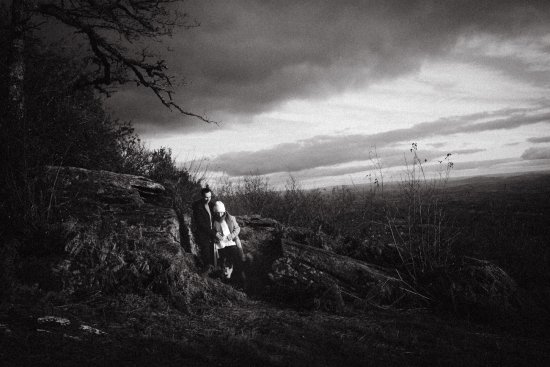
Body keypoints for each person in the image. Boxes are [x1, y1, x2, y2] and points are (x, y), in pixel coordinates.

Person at [212, 201, 246, 288]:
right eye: (217, 213)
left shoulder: (231, 218)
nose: (220, 215)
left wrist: (229, 237)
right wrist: (216, 236)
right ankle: (226, 283)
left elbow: (237, 229)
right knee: (223, 263)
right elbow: (212, 232)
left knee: (237, 260)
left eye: (221, 212)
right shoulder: (213, 220)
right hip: (221, 244)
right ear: (215, 212)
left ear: (224, 211)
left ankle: (241, 282)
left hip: (232, 242)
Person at [192, 187, 216, 268]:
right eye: (206, 197)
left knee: (215, 251)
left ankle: (215, 269)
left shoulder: (212, 205)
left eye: (209, 197)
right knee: (206, 252)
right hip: (203, 233)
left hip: (212, 232)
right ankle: (207, 270)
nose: (208, 199)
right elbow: (200, 223)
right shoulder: (197, 206)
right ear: (202, 196)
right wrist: (213, 233)